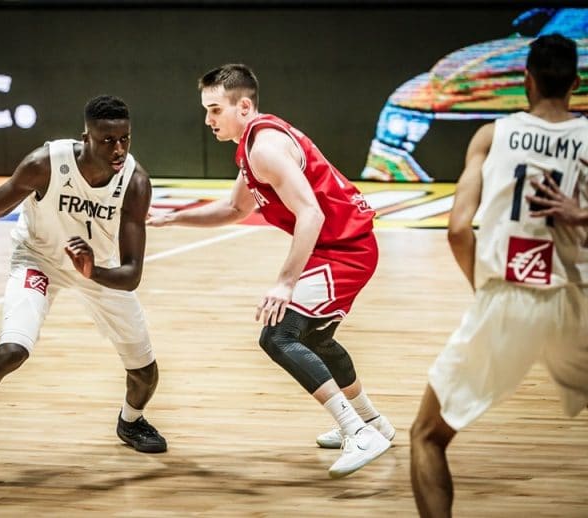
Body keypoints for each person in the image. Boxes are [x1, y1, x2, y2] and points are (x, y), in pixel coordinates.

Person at [0, 95, 167, 483]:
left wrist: (92, 271)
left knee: (145, 372)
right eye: (108, 140)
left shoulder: (135, 182)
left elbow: (132, 274)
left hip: (99, 269)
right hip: (38, 260)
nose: (118, 149)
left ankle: (131, 421)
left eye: (125, 139)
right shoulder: (45, 164)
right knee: (11, 350)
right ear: (86, 138)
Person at [148, 64, 394, 478]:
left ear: (243, 106)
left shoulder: (264, 148)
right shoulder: (253, 143)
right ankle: (373, 422)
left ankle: (357, 431)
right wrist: (173, 218)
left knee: (277, 335)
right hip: (338, 248)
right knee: (315, 338)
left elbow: (311, 214)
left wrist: (285, 283)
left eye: (215, 110)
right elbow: (234, 209)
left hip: (345, 252)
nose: (208, 120)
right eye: (206, 110)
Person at [410, 34, 588, 518]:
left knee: (427, 436)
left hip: (509, 297)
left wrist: (485, 293)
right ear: (575, 83)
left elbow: (457, 230)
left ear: (526, 80)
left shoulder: (493, 136)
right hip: (578, 299)